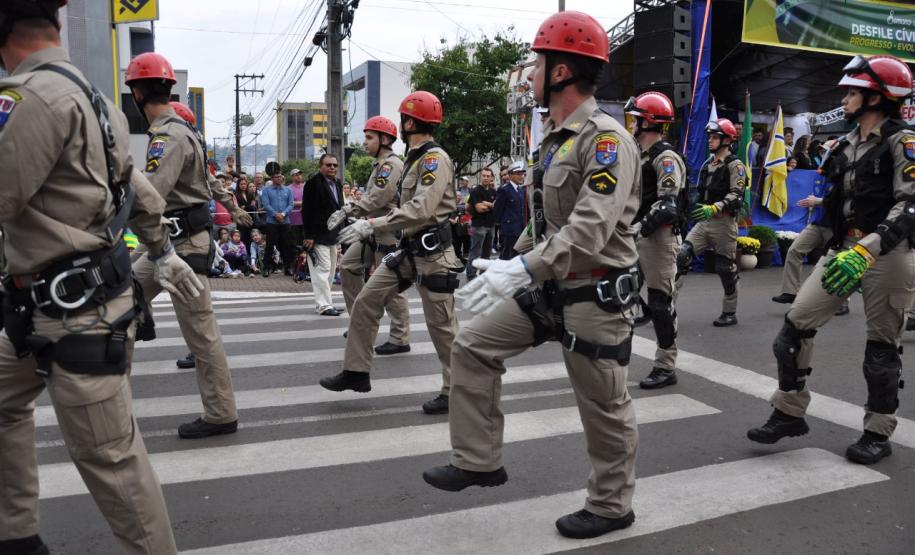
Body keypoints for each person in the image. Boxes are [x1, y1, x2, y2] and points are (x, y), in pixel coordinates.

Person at [423, 11, 640, 540]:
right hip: (548, 284)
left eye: (537, 63)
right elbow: (549, 223)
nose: (530, 74)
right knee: (471, 344)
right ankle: (479, 461)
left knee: (604, 404)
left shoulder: (606, 140)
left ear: (561, 71)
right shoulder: (555, 140)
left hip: (594, 289)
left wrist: (523, 266)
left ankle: (612, 506)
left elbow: (589, 229)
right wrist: (508, 262)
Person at [0, 2, 206, 551]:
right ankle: (16, 533)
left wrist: (164, 252)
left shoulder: (27, 99)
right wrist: (162, 250)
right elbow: (137, 188)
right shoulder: (98, 103)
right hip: (49, 309)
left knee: (111, 461)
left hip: (73, 317)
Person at [748, 54, 915, 465]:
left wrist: (867, 248)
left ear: (878, 96)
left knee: (881, 349)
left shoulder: (903, 141)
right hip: (843, 252)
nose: (846, 95)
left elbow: (910, 203)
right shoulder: (843, 144)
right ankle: (789, 412)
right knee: (794, 327)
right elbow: (835, 204)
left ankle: (878, 431)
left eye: (855, 89)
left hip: (887, 254)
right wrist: (830, 244)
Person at [319, 90, 460, 414]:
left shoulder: (433, 159)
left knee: (443, 328)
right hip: (408, 249)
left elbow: (421, 207)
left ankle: (457, 390)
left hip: (434, 252)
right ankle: (356, 372)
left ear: (409, 121)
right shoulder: (412, 159)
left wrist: (371, 224)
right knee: (367, 301)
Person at [125, 51, 240, 439]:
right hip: (177, 242)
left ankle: (221, 413)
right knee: (121, 300)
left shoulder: (169, 135)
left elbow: (148, 195)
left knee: (201, 335)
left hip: (183, 247)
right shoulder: (179, 130)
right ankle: (112, 406)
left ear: (138, 93)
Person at [328, 116, 411, 353]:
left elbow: (378, 198)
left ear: (384, 140)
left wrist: (348, 209)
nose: (364, 142)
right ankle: (360, 323)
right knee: (348, 267)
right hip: (371, 227)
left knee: (391, 285)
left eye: (369, 137)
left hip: (388, 230)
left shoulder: (391, 165)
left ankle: (400, 338)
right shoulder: (379, 165)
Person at [624, 91, 686, 389]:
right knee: (622, 296)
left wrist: (635, 229)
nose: (631, 124)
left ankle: (665, 366)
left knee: (660, 304)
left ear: (648, 122)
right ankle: (618, 357)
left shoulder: (666, 158)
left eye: (635, 119)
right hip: (636, 236)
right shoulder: (640, 155)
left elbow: (668, 205)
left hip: (658, 239)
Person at [675, 118, 747, 327]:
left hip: (724, 223)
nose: (710, 141)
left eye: (715, 137)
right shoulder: (708, 163)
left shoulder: (736, 165)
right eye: (710, 137)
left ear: (727, 139)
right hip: (704, 221)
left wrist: (716, 207)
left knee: (726, 268)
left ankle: (729, 311)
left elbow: (738, 193)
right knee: (681, 256)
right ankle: (666, 308)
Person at [302, 154, 346, 315]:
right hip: (317, 235)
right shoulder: (313, 184)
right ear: (321, 166)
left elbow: (340, 209)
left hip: (334, 234)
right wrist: (309, 236)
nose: (332, 168)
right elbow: (307, 211)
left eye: (334, 165)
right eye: (328, 165)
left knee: (331, 271)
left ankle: (327, 303)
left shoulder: (338, 183)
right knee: (322, 270)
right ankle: (323, 305)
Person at [260, 164, 294, 275]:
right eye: (277, 177)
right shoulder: (266, 190)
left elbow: (291, 204)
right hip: (271, 222)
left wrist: (283, 214)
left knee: (286, 245)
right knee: (270, 245)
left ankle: (288, 267)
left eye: (280, 176)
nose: (279, 178)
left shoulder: (288, 190)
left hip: (285, 221)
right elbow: (266, 204)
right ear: (272, 178)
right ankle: (266, 268)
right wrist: (276, 215)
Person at [466, 167, 497, 279]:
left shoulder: (494, 191)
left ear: (491, 178)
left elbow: (497, 206)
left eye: (488, 176)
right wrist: (492, 205)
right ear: (480, 177)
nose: (485, 178)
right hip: (479, 225)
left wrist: (487, 204)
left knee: (486, 254)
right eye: (484, 175)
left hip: (491, 225)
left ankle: (484, 276)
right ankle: (471, 275)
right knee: (475, 253)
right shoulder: (476, 191)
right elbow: (479, 209)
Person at [493, 160, 526, 260]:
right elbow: (497, 210)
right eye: (518, 174)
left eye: (522, 174)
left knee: (517, 257)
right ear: (511, 175)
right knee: (508, 257)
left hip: (520, 229)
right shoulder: (504, 189)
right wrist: (501, 225)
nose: (521, 176)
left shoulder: (521, 190)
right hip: (509, 230)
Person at [288, 168, 306, 247]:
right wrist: (303, 203)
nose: (299, 176)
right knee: (295, 244)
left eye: (300, 174)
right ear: (292, 177)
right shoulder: (288, 189)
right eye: (296, 175)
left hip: (306, 220)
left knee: (306, 243)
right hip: (293, 221)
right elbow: (289, 203)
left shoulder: (306, 187)